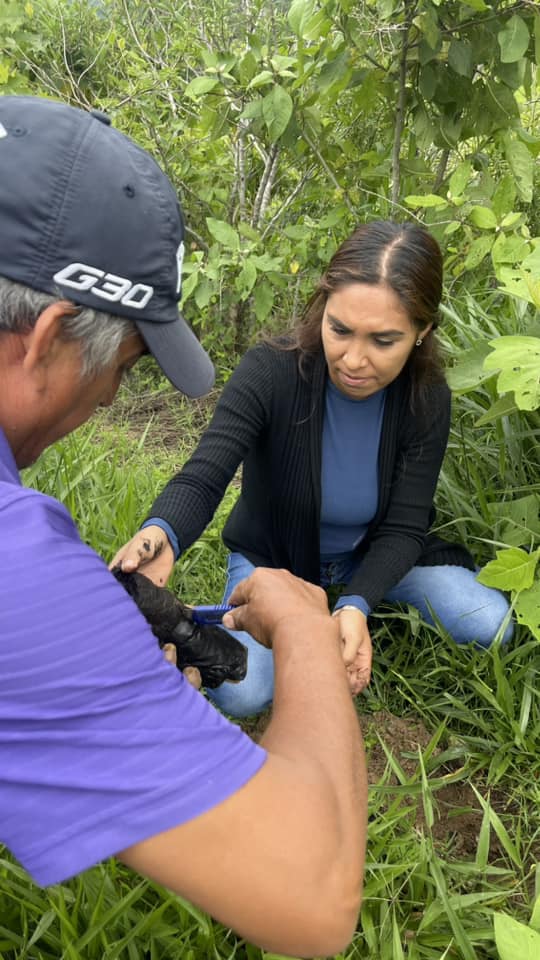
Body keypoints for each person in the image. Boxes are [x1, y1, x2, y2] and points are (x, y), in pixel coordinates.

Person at [0, 94, 367, 958]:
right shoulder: (17, 566)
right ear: (49, 335)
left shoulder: (418, 407)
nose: (110, 401)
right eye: (124, 369)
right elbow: (313, 900)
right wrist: (309, 626)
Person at [113, 220, 514, 718]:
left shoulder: (426, 397)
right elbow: (206, 472)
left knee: (489, 623)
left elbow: (407, 526)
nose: (353, 359)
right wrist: (162, 533)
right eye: (339, 329)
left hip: (369, 555)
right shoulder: (270, 371)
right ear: (323, 308)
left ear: (422, 331)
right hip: (275, 557)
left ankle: (342, 608)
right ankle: (227, 619)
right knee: (244, 691)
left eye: (383, 340)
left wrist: (358, 603)